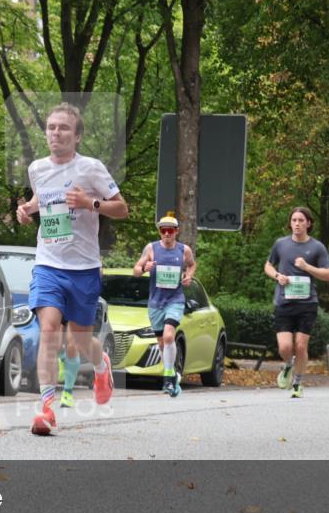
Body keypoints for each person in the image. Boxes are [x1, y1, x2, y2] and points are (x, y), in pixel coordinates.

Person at [16, 102, 129, 435]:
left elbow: (122, 208)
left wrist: (90, 203)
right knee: (48, 330)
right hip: (48, 263)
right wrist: (26, 209)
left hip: (84, 267)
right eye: (51, 127)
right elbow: (41, 199)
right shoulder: (37, 168)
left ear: (77, 135)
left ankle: (100, 364)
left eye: (63, 128)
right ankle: (47, 409)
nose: (55, 133)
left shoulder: (91, 168)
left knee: (80, 340)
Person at [263, 207, 329, 398]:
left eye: (301, 220)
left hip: (307, 303)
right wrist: (278, 276)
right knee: (285, 347)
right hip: (284, 302)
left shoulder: (317, 247)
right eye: (294, 220)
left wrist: (307, 267)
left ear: (308, 223)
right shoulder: (281, 244)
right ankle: (288, 365)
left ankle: (298, 382)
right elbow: (268, 266)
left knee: (301, 346)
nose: (297, 224)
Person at [132, 211, 196, 397]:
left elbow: (191, 265)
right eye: (163, 230)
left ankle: (168, 378)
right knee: (161, 342)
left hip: (175, 300)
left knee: (169, 336)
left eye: (170, 230)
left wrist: (188, 277)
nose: (166, 234)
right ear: (160, 232)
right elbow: (135, 270)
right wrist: (145, 268)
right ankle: (173, 372)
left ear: (176, 231)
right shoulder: (151, 248)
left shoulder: (183, 250)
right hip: (155, 303)